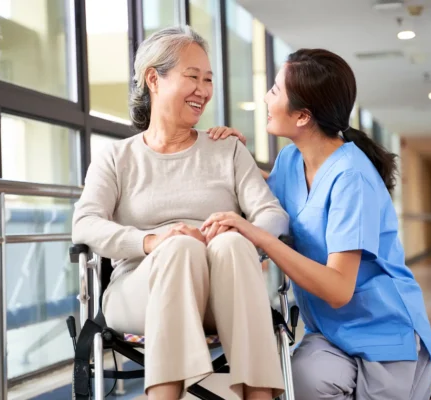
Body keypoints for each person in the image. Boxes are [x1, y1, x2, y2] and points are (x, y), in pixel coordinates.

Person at [203, 48, 431, 400]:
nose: (267, 97)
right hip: (331, 333)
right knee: (304, 379)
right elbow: (264, 199)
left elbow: (338, 288)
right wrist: (233, 156)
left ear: (302, 116)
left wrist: (260, 237)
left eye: (275, 90)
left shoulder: (351, 177)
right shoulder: (290, 160)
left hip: (384, 334)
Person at [71, 26, 289, 400]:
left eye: (208, 79)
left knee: (233, 243)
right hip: (141, 291)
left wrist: (239, 231)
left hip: (221, 295)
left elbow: (273, 215)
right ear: (154, 79)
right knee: (179, 248)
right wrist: (153, 241)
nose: (203, 90)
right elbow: (85, 224)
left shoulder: (228, 150)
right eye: (192, 77)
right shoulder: (116, 157)